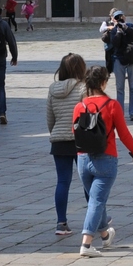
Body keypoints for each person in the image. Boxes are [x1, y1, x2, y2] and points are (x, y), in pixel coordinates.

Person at [72, 64, 133, 256]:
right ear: (104, 83)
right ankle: (86, 244)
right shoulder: (112, 106)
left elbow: (74, 132)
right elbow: (124, 134)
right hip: (106, 159)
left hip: (82, 159)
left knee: (96, 200)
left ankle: (105, 235)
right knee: (96, 201)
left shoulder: (80, 106)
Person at [45, 54, 87, 235]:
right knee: (88, 181)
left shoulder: (53, 88)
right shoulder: (84, 88)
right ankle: (99, 217)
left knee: (62, 181)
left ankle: (61, 223)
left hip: (59, 140)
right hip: (80, 140)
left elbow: (49, 118)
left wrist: (56, 132)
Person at [102, 10, 133, 121]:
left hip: (132, 60)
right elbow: (115, 43)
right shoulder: (113, 30)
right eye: (116, 18)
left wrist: (126, 28)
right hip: (118, 60)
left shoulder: (131, 26)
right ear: (113, 19)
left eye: (121, 17)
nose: (119, 19)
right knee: (120, 88)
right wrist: (118, 31)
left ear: (125, 17)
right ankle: (120, 113)